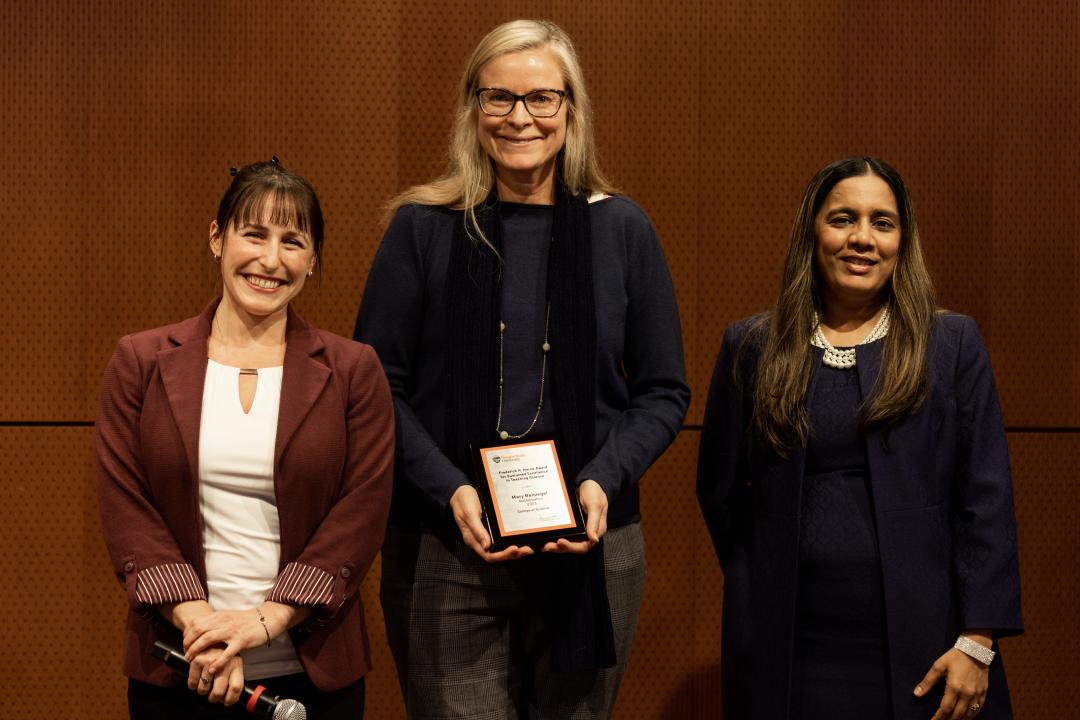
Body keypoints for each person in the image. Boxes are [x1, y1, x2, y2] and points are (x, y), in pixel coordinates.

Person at [354, 19, 689, 719]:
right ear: (473, 109)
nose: (519, 117)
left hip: (591, 543)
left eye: (541, 98)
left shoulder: (622, 230)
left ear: (571, 110)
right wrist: (449, 488)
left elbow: (662, 391)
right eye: (499, 97)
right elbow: (377, 387)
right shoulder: (422, 228)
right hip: (448, 542)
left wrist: (602, 479)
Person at [697, 156, 1023, 720]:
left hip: (930, 645)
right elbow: (720, 493)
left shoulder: (951, 345)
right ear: (812, 232)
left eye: (882, 223)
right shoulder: (752, 346)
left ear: (902, 240)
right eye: (843, 219)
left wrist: (978, 641)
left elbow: (986, 499)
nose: (863, 239)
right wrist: (761, 577)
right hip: (790, 651)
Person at [95, 157, 394, 719]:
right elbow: (125, 505)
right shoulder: (141, 360)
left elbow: (362, 511)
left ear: (313, 260)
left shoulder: (354, 369)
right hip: (181, 662)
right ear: (217, 238)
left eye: (292, 242)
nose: (270, 260)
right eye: (254, 234)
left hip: (313, 674)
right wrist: (204, 631)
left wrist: (264, 621)